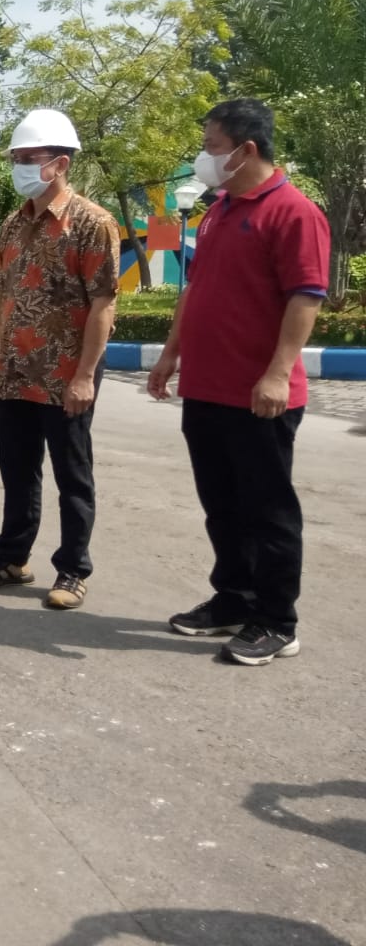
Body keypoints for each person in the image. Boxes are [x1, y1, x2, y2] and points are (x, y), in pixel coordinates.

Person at [148, 97, 330, 665]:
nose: (203, 157)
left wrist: (277, 373)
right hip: (206, 388)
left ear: (246, 150)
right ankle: (233, 598)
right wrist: (170, 355)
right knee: (221, 506)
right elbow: (195, 290)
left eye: (211, 146)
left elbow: (306, 297)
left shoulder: (293, 212)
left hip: (260, 395)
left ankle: (276, 620)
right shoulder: (220, 209)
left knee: (267, 512)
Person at [0, 110, 119, 610]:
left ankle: (73, 570)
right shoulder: (14, 225)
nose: (20, 167)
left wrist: (85, 376)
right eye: (16, 158)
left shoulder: (93, 223)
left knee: (72, 476)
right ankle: (12, 559)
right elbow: (1, 300)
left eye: (29, 158)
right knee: (17, 472)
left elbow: (103, 303)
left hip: (65, 375)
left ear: (60, 163)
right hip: (14, 372)